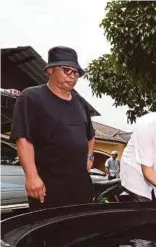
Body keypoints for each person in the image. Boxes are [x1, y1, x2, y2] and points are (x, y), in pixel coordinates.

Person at [10, 46, 95, 210]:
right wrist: (32, 177)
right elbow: (23, 139)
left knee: (81, 233)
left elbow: (90, 136)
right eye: (66, 70)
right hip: (48, 187)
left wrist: (89, 158)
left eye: (75, 73)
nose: (72, 77)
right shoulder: (31, 97)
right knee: (49, 234)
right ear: (50, 70)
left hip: (81, 187)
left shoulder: (81, 104)